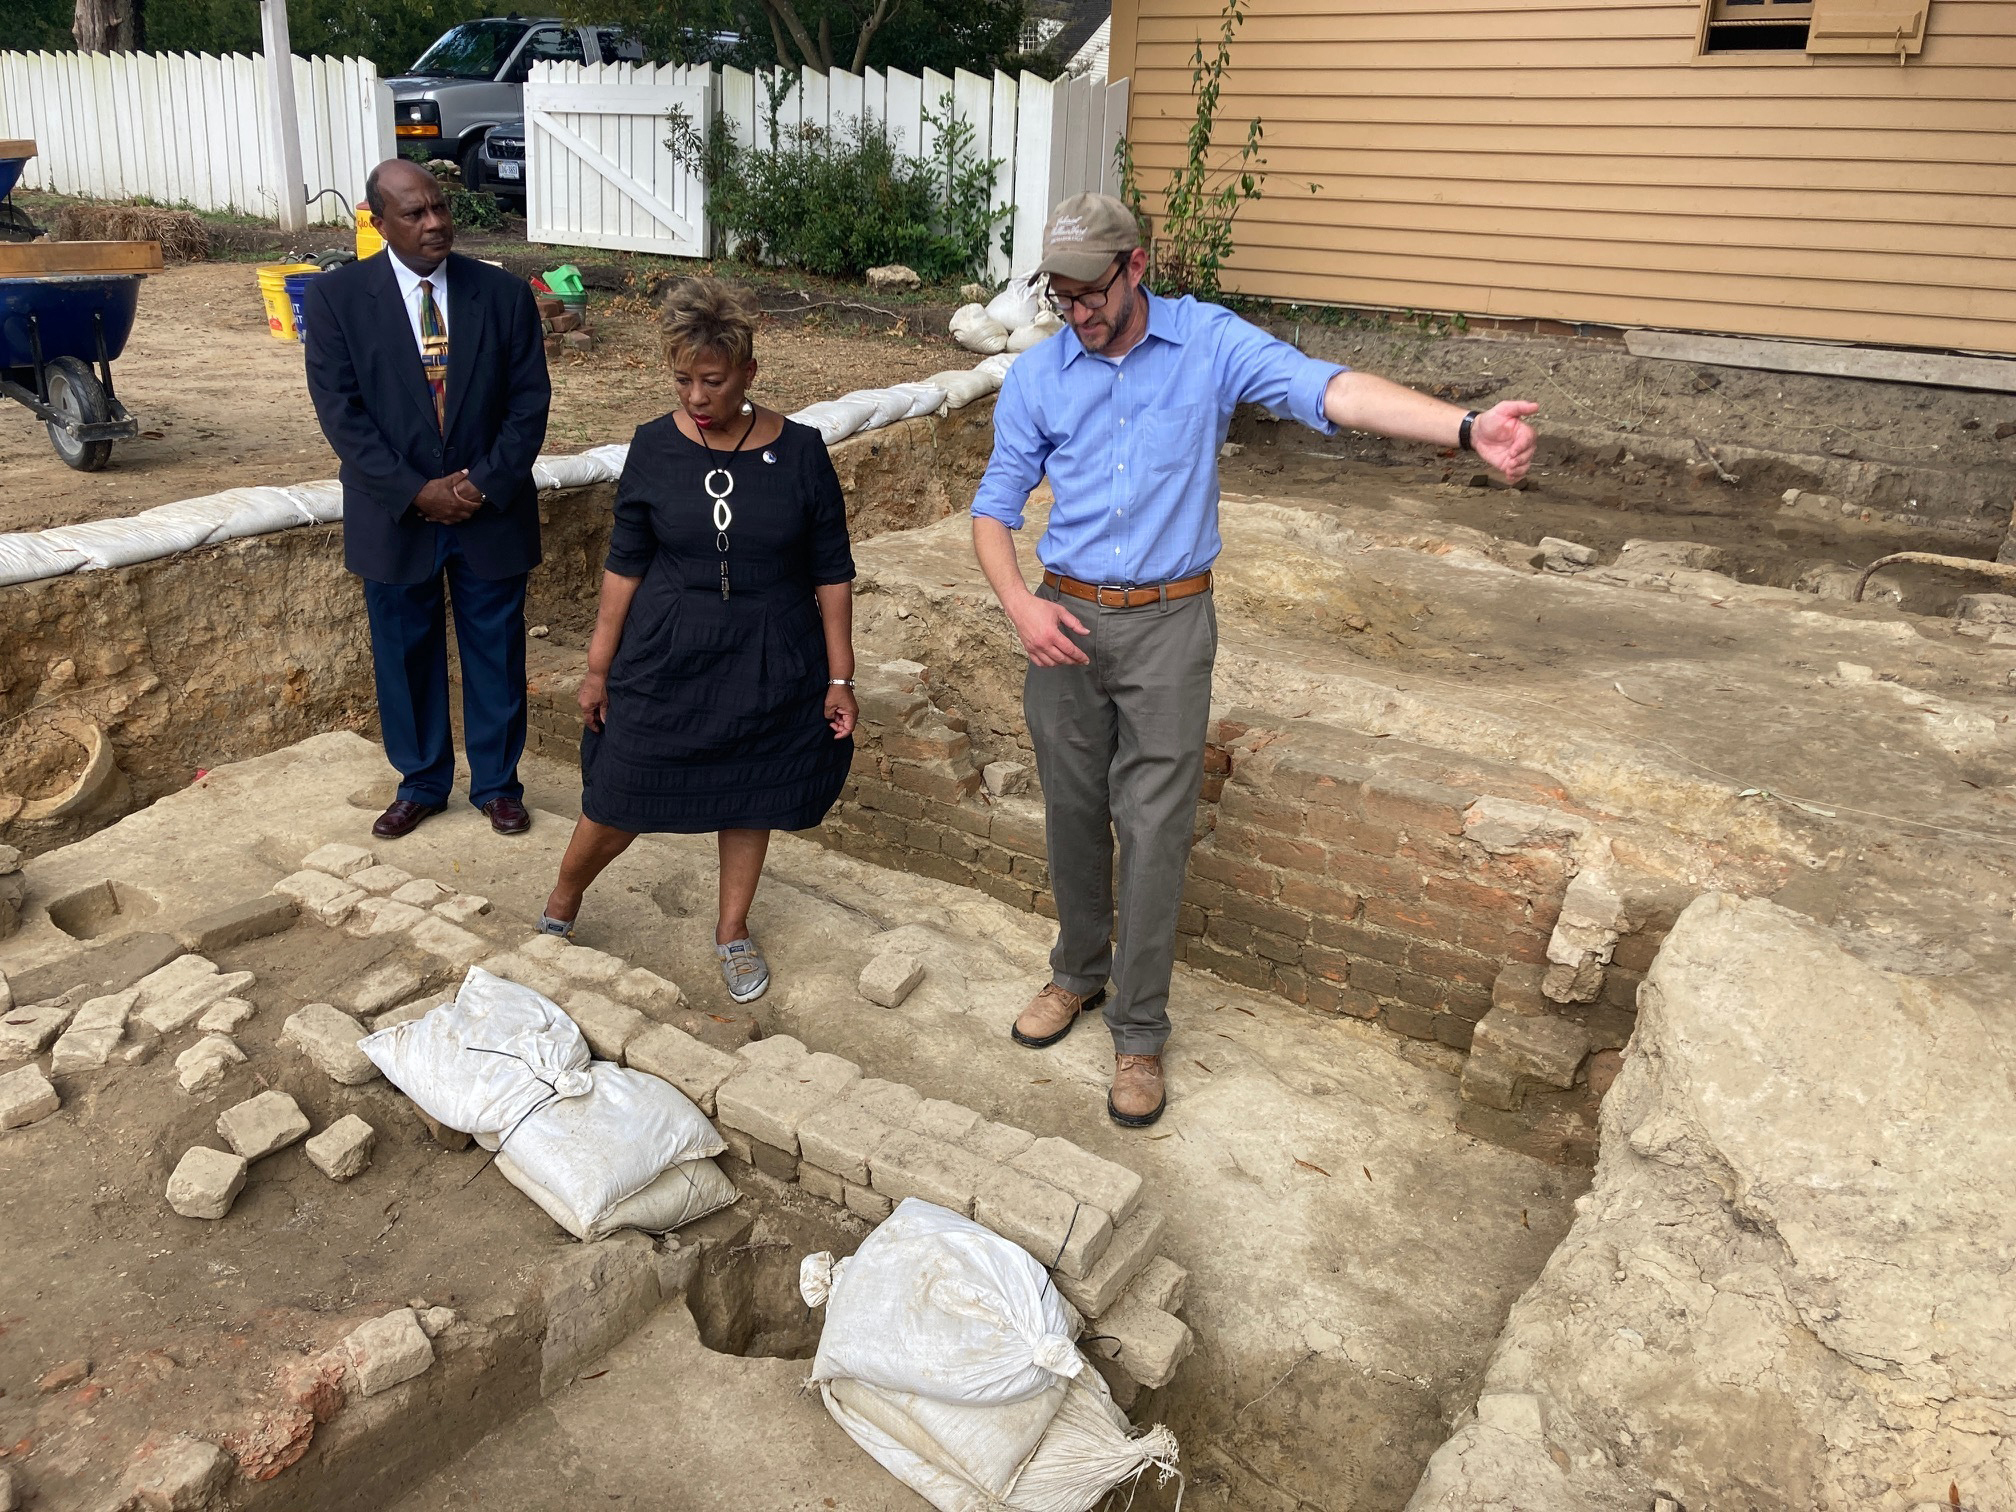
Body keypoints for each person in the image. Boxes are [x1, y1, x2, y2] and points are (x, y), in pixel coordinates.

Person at [971, 193, 1539, 1128]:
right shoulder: (1041, 376)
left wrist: (1465, 426)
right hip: (1063, 622)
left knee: (1152, 830)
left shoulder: (1209, 344)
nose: (1075, 312)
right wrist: (1020, 604)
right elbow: (994, 509)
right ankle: (1076, 974)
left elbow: (1330, 389)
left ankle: (1140, 1033)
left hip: (1170, 625)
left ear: (1137, 266)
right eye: (1058, 294)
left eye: (1089, 292)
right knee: (1073, 811)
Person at [539, 278, 859, 1004]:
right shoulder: (653, 448)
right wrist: (597, 666)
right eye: (682, 380)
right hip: (667, 648)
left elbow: (833, 571)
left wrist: (839, 678)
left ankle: (732, 930)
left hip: (773, 653)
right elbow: (625, 562)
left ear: (748, 371)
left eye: (712, 381)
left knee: (751, 795)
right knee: (620, 788)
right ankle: (563, 900)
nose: (695, 397)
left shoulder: (803, 452)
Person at [303, 157, 550, 842]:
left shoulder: (500, 296)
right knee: (404, 651)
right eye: (414, 213)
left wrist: (481, 483)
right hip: (394, 515)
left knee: (496, 651)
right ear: (378, 222)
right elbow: (342, 415)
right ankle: (421, 782)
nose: (436, 222)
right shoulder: (337, 301)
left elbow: (529, 405)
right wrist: (415, 491)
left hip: (488, 509)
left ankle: (498, 785)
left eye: (440, 207)